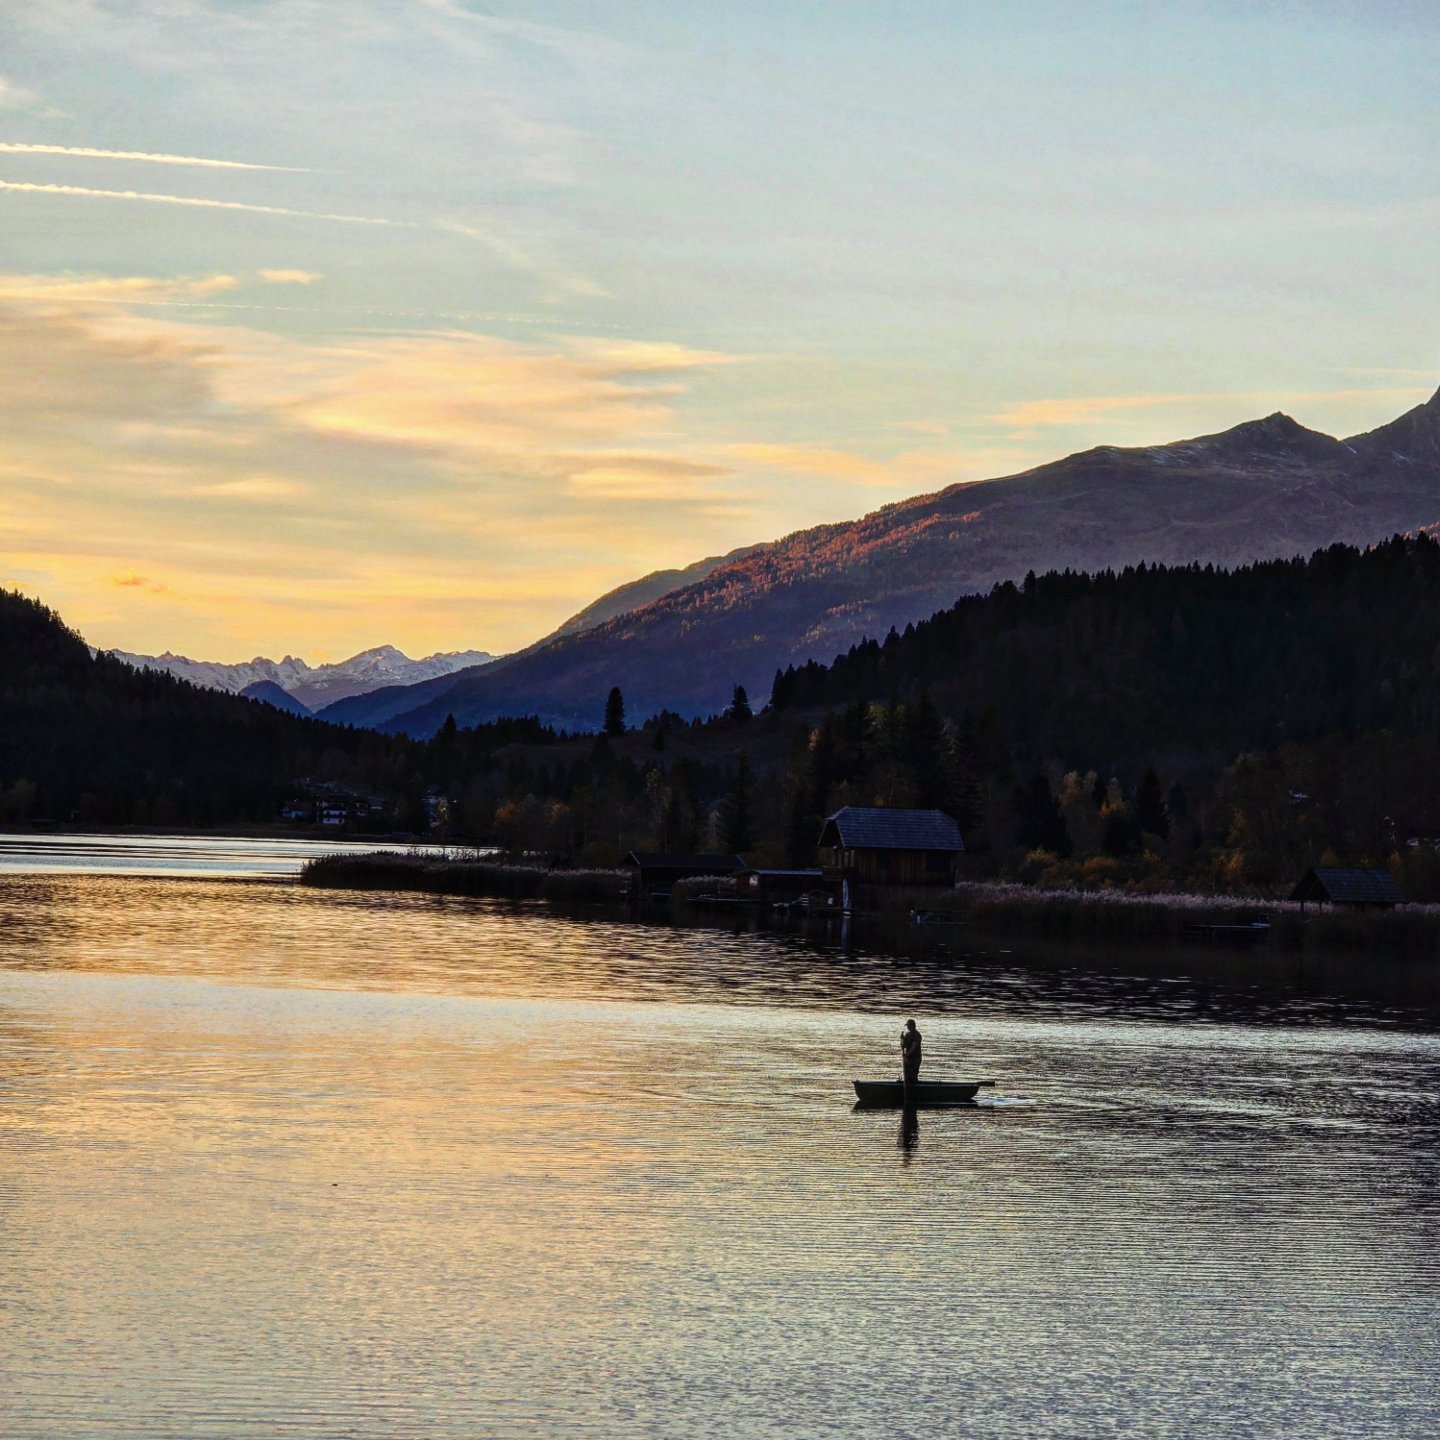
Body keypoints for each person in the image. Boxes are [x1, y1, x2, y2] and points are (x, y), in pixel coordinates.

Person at [900, 1018, 922, 1086]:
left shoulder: (917, 1035)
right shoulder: (907, 1035)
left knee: (913, 1076)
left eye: (909, 1025)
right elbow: (903, 1046)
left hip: (915, 1059)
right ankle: (908, 1087)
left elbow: (914, 1046)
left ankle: (915, 1089)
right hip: (908, 1059)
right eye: (907, 1025)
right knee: (907, 1077)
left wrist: (907, 1054)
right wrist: (902, 1039)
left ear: (913, 1026)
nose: (908, 1027)